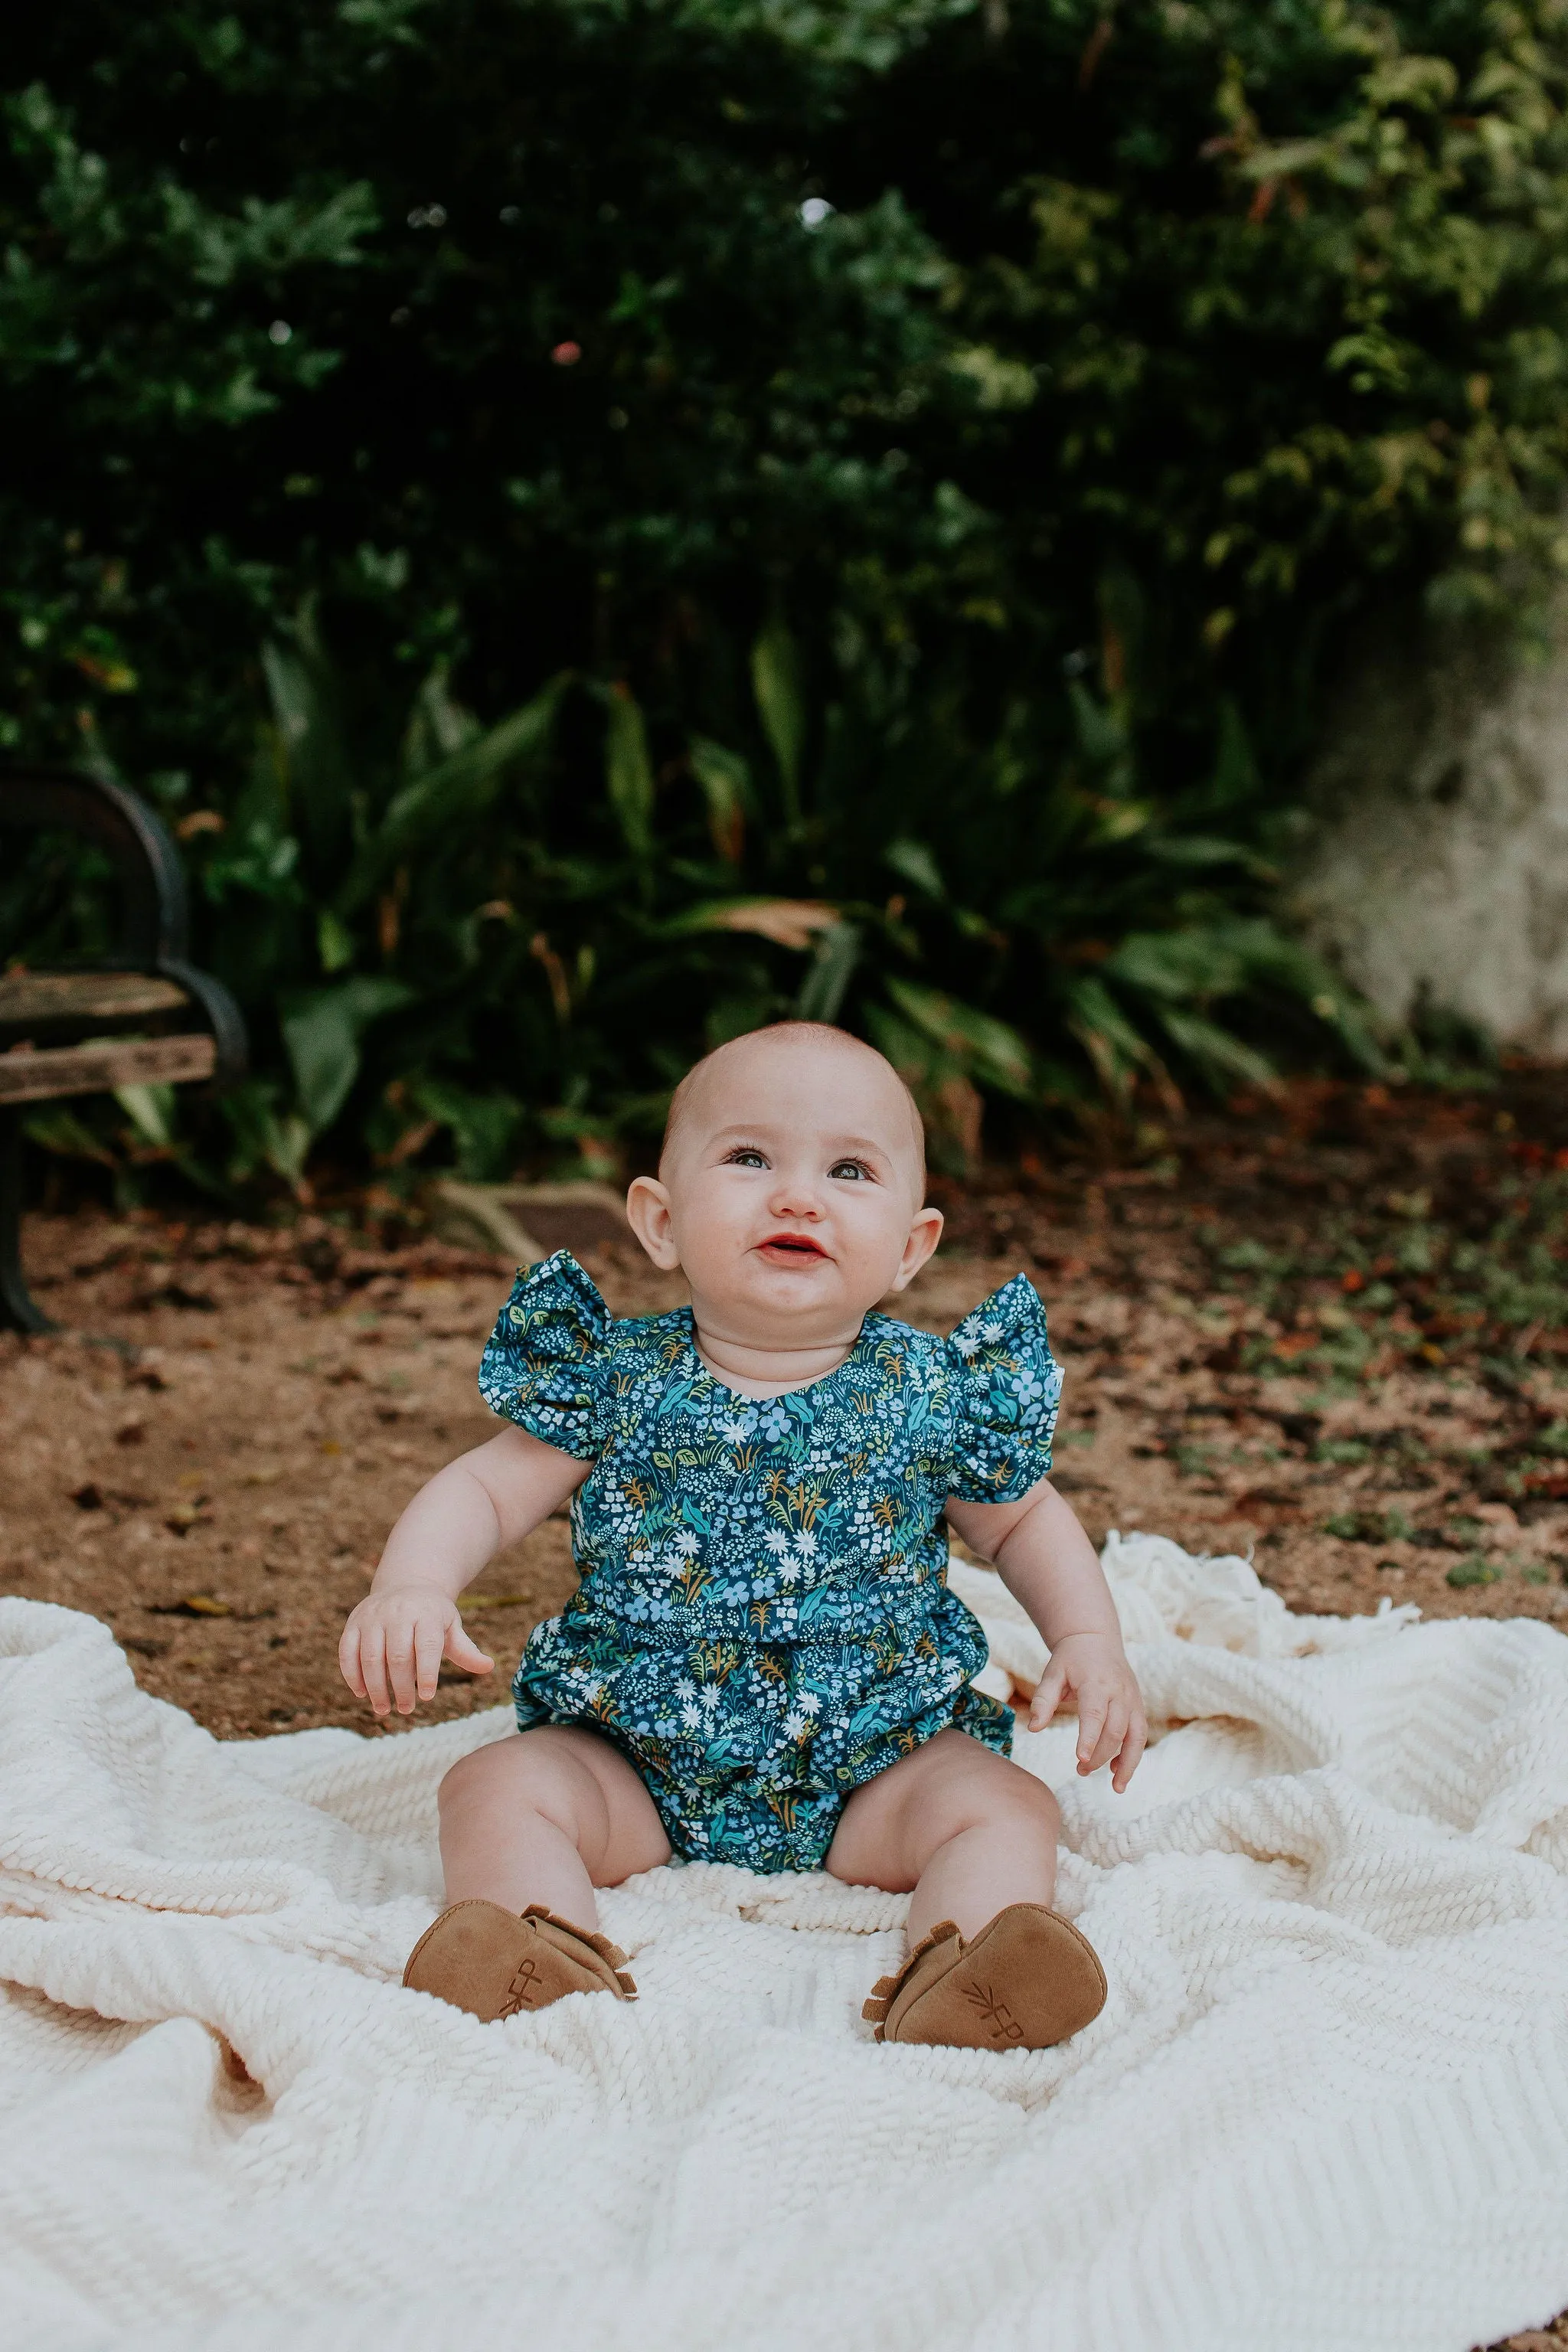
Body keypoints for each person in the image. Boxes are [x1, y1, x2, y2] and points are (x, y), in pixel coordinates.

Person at [340, 1021, 1146, 2048]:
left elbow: (1025, 1515)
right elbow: (487, 1492)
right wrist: (411, 1584)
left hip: (878, 1764)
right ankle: (534, 1945)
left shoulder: (934, 1395)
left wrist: (1090, 1640)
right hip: (633, 1761)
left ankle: (970, 1963)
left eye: (849, 1169)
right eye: (751, 1158)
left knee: (1006, 1806)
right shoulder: (616, 1381)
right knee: (494, 1787)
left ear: (910, 1247)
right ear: (661, 1221)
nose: (798, 1196)